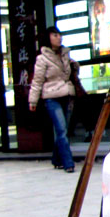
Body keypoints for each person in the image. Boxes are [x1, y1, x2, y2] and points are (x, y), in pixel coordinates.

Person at [29, 27, 79, 173]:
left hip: (67, 95)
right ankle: (68, 163)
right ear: (48, 38)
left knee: (64, 130)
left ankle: (56, 159)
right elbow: (37, 81)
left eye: (60, 34)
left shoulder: (64, 54)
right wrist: (33, 101)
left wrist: (74, 65)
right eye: (55, 35)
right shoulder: (42, 58)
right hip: (51, 97)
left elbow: (71, 73)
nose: (59, 37)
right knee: (61, 130)